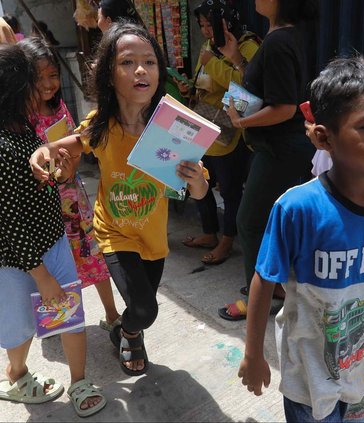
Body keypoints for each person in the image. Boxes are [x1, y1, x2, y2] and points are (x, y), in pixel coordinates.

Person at [237, 56, 364, 423]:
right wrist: (254, 355)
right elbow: (264, 281)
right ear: (323, 137)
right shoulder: (298, 208)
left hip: (360, 365)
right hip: (308, 375)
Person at [30, 22, 208, 377]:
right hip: (113, 232)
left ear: (159, 73)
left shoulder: (171, 128)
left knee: (144, 308)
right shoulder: (101, 124)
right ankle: (127, 333)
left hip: (153, 236)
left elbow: (200, 190)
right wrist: (44, 151)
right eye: (128, 62)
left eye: (150, 62)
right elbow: (74, 143)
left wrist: (196, 179)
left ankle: (129, 328)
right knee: (145, 309)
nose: (141, 70)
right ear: (109, 76)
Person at [0, 43, 106, 417]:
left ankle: (78, 381)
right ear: (15, 90)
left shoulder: (25, 127)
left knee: (69, 313)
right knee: (20, 325)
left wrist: (57, 170)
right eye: (34, 82)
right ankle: (17, 374)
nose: (42, 89)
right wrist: (41, 276)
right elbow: (9, 225)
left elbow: (39, 182)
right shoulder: (2, 146)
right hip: (17, 260)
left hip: (53, 239)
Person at [219, 0, 318, 320]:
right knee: (264, 222)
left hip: (280, 150)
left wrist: (241, 122)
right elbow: (266, 90)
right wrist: (236, 59)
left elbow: (284, 107)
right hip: (281, 148)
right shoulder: (284, 36)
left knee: (248, 222)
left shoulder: (278, 42)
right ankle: (272, 284)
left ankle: (255, 300)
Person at [19, 36, 122, 332]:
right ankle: (56, 323)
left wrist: (69, 168)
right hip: (42, 204)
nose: (49, 84)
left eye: (53, 75)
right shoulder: (20, 118)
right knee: (52, 265)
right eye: (40, 78)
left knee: (93, 255)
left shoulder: (59, 105)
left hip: (73, 199)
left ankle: (112, 314)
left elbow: (75, 145)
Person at [177, 0, 259, 265]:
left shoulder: (246, 46)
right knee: (199, 180)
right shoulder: (208, 47)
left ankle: (227, 241)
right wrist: (189, 88)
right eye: (202, 26)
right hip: (203, 124)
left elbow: (247, 85)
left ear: (226, 22)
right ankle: (209, 233)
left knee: (230, 189)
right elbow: (205, 83)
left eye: (210, 24)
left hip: (228, 130)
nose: (206, 31)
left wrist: (212, 63)